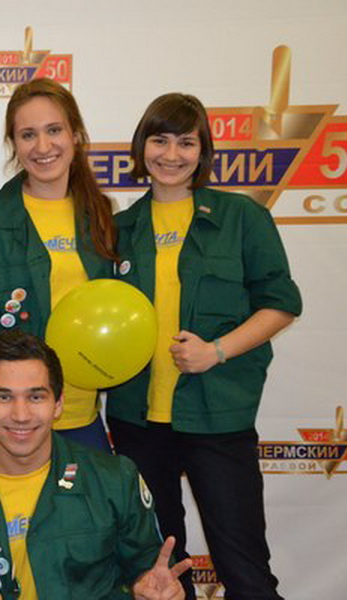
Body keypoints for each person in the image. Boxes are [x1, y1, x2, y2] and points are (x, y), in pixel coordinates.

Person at [106, 93, 302, 599]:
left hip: (218, 418)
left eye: (186, 142)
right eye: (160, 140)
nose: (171, 155)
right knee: (160, 571)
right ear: (141, 147)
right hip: (138, 422)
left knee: (245, 569)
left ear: (203, 150)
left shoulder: (241, 217)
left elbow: (281, 304)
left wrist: (216, 351)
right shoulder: (118, 229)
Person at [0, 330, 190, 599]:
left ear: (58, 404)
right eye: (4, 397)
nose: (21, 415)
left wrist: (146, 589)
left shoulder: (115, 479)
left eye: (36, 397)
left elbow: (146, 569)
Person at [0, 78, 118, 454]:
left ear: (75, 135)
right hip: (8, 416)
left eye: (54, 130)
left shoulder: (102, 215)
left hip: (81, 410)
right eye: (28, 135)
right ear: (14, 144)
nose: (43, 146)